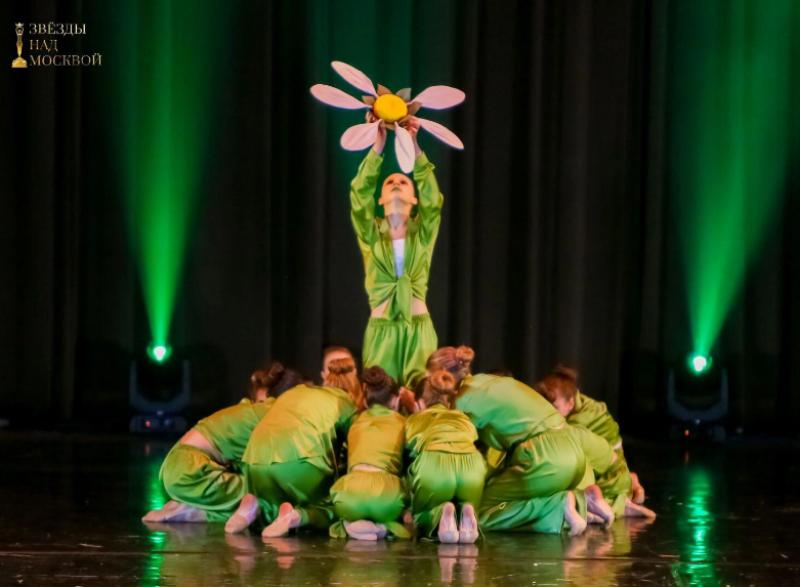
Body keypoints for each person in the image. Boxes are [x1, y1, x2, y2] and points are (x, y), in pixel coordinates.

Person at [427, 346, 617, 536]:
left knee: (476, 513)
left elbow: (453, 452)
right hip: (571, 448)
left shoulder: (462, 401)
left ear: (441, 377)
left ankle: (556, 509)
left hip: (543, 457)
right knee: (514, 498)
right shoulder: (488, 380)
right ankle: (582, 502)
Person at [142, 362, 303, 524]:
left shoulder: (247, 412)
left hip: (178, 468)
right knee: (271, 501)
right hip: (191, 471)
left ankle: (192, 507)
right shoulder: (272, 417)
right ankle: (197, 512)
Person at [350, 116, 443, 389]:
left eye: (403, 181)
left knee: (422, 396)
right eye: (389, 181)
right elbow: (359, 197)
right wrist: (377, 148)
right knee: (379, 397)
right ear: (380, 199)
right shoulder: (371, 236)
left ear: (414, 199)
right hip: (382, 331)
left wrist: (414, 146)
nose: (396, 183)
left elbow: (433, 203)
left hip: (418, 329)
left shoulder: (422, 235)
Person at [226, 357, 361, 536]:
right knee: (336, 507)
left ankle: (256, 506)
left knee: (276, 496)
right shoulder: (347, 405)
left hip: (254, 459)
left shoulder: (297, 391)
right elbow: (359, 451)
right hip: (300, 461)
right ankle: (296, 516)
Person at [535, 365, 655, 518]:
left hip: (609, 471)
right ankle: (631, 483)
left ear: (570, 403)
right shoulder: (573, 403)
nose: (548, 413)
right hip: (613, 463)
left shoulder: (581, 420)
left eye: (554, 408)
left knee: (581, 493)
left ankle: (622, 498)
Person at [405, 371, 487, 543]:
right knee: (467, 502)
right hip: (471, 464)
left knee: (420, 516)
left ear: (419, 402)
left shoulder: (415, 419)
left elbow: (408, 452)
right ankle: (466, 514)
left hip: (434, 464)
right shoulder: (463, 418)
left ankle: (439, 514)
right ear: (449, 401)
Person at [329, 366, 409, 540]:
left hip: (348, 495)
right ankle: (383, 528)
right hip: (385, 498)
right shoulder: (403, 422)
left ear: (365, 401)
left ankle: (350, 523)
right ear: (396, 400)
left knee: (339, 505)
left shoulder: (356, 422)